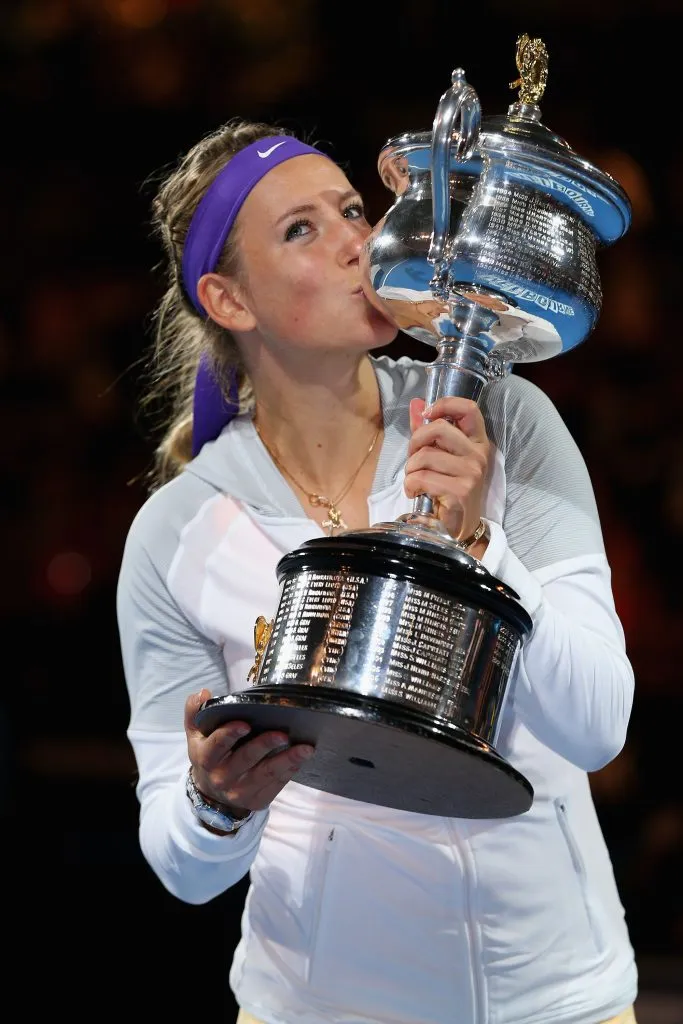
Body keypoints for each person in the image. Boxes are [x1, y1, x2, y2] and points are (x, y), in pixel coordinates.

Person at [116, 117, 639, 1024]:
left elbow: (597, 726)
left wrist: (483, 546)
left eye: (354, 209)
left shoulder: (501, 421)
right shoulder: (179, 530)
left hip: (559, 999)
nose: (357, 240)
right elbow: (181, 868)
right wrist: (217, 804)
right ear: (228, 300)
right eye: (302, 229)